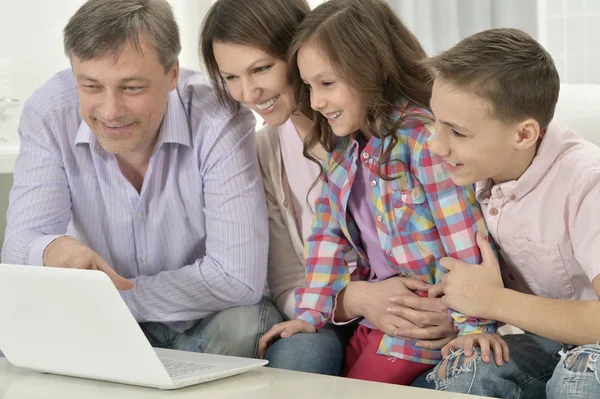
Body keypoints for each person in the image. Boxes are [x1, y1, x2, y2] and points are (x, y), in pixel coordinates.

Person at [1, 0, 278, 359]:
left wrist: (113, 298)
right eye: (91, 86)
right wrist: (50, 249)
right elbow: (20, 245)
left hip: (206, 319)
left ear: (172, 74)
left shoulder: (218, 116)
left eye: (132, 88)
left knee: (244, 324)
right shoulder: (49, 113)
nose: (110, 110)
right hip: (101, 321)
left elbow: (237, 279)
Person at [200, 0, 461, 376]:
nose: (248, 93)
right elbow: (291, 275)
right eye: (230, 77)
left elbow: (468, 232)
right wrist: (352, 300)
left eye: (261, 69)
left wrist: (465, 312)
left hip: (423, 305)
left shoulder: (406, 134)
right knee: (300, 358)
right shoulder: (267, 150)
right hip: (334, 310)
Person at [259, 0, 502, 385]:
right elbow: (327, 237)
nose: (316, 101)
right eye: (308, 86)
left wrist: (474, 325)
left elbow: (464, 239)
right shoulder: (342, 151)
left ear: (369, 70)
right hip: (374, 320)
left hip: (420, 323)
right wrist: (309, 316)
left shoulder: (424, 140)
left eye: (327, 84)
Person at [415, 28, 600, 398]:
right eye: (437, 122)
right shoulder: (468, 171)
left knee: (576, 380)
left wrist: (492, 300)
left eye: (457, 132)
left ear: (523, 134)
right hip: (543, 343)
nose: (435, 144)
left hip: (590, 347)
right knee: (464, 369)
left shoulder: (587, 182)